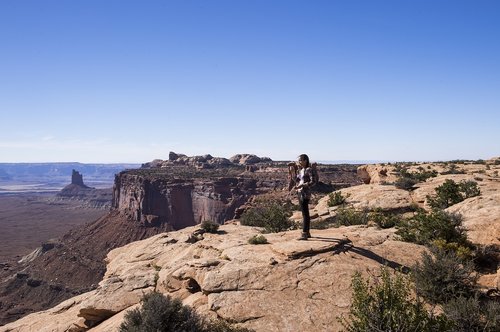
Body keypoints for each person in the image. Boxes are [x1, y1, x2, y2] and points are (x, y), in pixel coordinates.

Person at [294, 154, 317, 240]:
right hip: (300, 192)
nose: (299, 162)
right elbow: (296, 180)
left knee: (305, 213)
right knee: (304, 213)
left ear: (305, 160)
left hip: (305, 193)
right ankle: (307, 232)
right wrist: (292, 171)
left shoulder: (309, 170)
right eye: (299, 160)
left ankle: (304, 233)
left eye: (301, 160)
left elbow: (314, 181)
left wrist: (303, 185)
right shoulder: (301, 170)